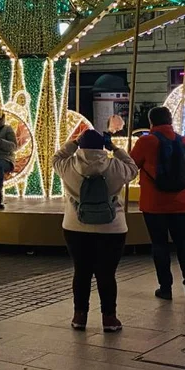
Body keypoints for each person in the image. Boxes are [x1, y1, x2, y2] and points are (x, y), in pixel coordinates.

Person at [54, 129, 138, 333]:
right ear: (103, 146)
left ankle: (79, 316)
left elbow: (57, 157)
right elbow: (133, 169)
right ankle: (109, 318)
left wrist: (72, 143)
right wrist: (115, 149)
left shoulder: (67, 166)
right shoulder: (115, 166)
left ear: (80, 146)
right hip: (112, 228)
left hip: (75, 227)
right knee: (106, 274)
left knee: (81, 272)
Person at [131, 106, 185, 300]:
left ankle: (165, 288)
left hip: (154, 202)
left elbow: (132, 164)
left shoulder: (146, 141)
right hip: (180, 201)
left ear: (151, 122)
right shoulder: (183, 140)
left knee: (159, 244)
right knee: (183, 241)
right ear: (170, 120)